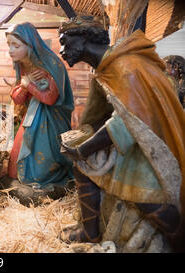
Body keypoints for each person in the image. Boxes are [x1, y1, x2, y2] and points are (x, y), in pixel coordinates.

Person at [58, 16, 185, 250]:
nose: (62, 50)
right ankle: (90, 231)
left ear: (84, 38)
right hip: (131, 142)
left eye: (65, 42)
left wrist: (83, 148)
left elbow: (127, 122)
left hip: (151, 148)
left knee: (147, 198)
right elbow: (105, 114)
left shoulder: (125, 66)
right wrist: (83, 138)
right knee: (84, 167)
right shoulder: (107, 67)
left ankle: (178, 240)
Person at [0, 22, 75, 206]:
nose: (10, 50)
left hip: (50, 120)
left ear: (30, 44)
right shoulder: (24, 65)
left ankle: (48, 182)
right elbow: (17, 98)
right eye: (9, 45)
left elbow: (50, 99)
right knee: (15, 165)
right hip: (32, 114)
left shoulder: (51, 64)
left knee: (41, 167)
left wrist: (28, 85)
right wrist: (25, 85)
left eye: (16, 45)